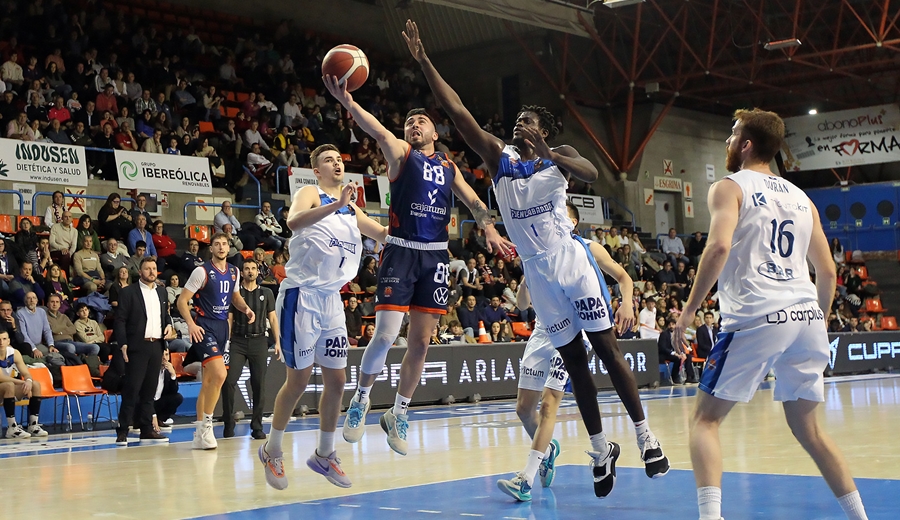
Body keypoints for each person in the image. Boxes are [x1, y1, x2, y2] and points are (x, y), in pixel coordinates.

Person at [404, 20, 668, 498]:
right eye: (518, 118)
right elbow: (457, 110)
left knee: (606, 349)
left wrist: (551, 151)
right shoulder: (497, 155)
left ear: (544, 129)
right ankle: (600, 446)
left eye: (530, 119)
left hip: (570, 259)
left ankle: (646, 435)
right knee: (575, 366)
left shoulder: (557, 155)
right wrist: (424, 59)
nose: (519, 123)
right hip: (537, 271)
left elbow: (594, 173)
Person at [673, 108, 868, 520]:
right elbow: (828, 270)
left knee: (705, 421)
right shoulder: (802, 197)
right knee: (812, 433)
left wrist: (689, 310)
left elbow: (719, 248)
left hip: (759, 314)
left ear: (745, 144)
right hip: (806, 316)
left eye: (731, 135)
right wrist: (820, 320)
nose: (727, 142)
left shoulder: (729, 186)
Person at [325, 68, 508, 457]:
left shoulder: (448, 166)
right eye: (409, 122)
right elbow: (378, 131)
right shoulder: (401, 154)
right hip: (401, 249)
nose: (413, 125)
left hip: (436, 256)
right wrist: (349, 103)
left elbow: (474, 201)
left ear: (435, 133)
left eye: (421, 121)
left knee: (422, 342)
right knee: (387, 334)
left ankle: (399, 412)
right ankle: (361, 400)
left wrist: (488, 228)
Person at [259, 144, 388, 490]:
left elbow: (382, 234)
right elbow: (293, 222)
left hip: (331, 300)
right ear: (317, 171)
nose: (337, 163)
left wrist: (417, 236)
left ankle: (325, 454)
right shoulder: (311, 193)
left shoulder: (351, 209)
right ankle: (272, 449)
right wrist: (336, 205)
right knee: (298, 381)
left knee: (336, 379)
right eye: (329, 160)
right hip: (301, 296)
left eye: (340, 158)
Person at [497, 201, 640, 501]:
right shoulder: (536, 251)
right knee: (524, 409)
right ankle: (547, 451)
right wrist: (527, 276)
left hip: (574, 333)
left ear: (572, 223)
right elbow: (522, 305)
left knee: (550, 404)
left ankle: (526, 478)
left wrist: (626, 302)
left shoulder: (589, 247)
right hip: (542, 331)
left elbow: (624, 278)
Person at [178, 233, 256, 450]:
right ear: (210, 248)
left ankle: (198, 433)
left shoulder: (234, 271)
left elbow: (235, 297)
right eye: (217, 244)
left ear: (229, 247)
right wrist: (191, 325)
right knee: (221, 374)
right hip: (204, 326)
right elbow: (182, 300)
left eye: (224, 244)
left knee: (209, 381)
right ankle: (207, 426)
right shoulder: (201, 271)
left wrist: (246, 309)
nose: (221, 247)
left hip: (223, 327)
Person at [114, 257, 172, 445]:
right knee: (132, 390)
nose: (151, 272)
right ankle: (122, 430)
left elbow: (166, 317)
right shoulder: (128, 292)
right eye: (147, 269)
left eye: (154, 268)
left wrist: (169, 327)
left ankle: (146, 429)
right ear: (140, 272)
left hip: (157, 345)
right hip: (137, 346)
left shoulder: (162, 293)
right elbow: (120, 320)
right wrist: (123, 343)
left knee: (149, 391)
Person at [222, 259, 278, 440]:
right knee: (229, 381)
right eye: (246, 268)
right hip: (238, 341)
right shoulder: (236, 293)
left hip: (259, 341)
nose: (250, 271)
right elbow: (229, 318)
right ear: (242, 272)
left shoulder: (267, 292)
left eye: (253, 268)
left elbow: (273, 318)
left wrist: (277, 341)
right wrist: (226, 342)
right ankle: (228, 423)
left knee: (259, 385)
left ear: (258, 272)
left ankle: (257, 426)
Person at [0, 330, 49, 439]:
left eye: (4, 339)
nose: (1, 342)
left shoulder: (14, 353)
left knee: (35, 384)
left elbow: (26, 373)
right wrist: (23, 382)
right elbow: (1, 378)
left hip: (6, 390)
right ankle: (11, 427)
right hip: (3, 387)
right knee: (9, 385)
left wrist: (29, 382)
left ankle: (33, 425)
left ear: (8, 341)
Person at [16, 292, 65, 366]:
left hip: (40, 345)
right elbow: (24, 334)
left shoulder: (41, 312)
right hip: (28, 346)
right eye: (29, 298)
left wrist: (51, 345)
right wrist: (34, 349)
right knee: (49, 359)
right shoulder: (20, 313)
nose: (32, 300)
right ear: (25, 301)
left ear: (37, 300)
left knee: (56, 356)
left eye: (34, 298)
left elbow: (47, 330)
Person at [153, 346, 183, 430]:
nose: (164, 358)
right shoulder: (150, 369)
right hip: (147, 402)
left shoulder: (168, 370)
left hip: (158, 402)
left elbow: (173, 391)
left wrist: (173, 375)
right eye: (162, 355)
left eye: (166, 355)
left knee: (177, 397)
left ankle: (160, 419)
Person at [49, 210, 78, 275]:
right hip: (56, 250)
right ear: (62, 218)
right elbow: (52, 242)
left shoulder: (75, 231)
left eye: (69, 217)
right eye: (65, 217)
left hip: (68, 252)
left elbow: (74, 246)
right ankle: (65, 279)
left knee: (78, 256)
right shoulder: (55, 227)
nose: (68, 218)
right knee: (66, 256)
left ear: (72, 219)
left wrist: (69, 253)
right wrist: (62, 248)